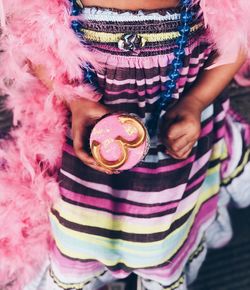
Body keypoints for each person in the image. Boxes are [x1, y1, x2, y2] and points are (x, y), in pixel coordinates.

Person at [0, 0, 250, 289]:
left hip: (178, 134)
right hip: (84, 131)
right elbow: (34, 40)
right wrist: (76, 101)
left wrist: (196, 100)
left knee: (158, 233)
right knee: (79, 225)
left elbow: (237, 33)